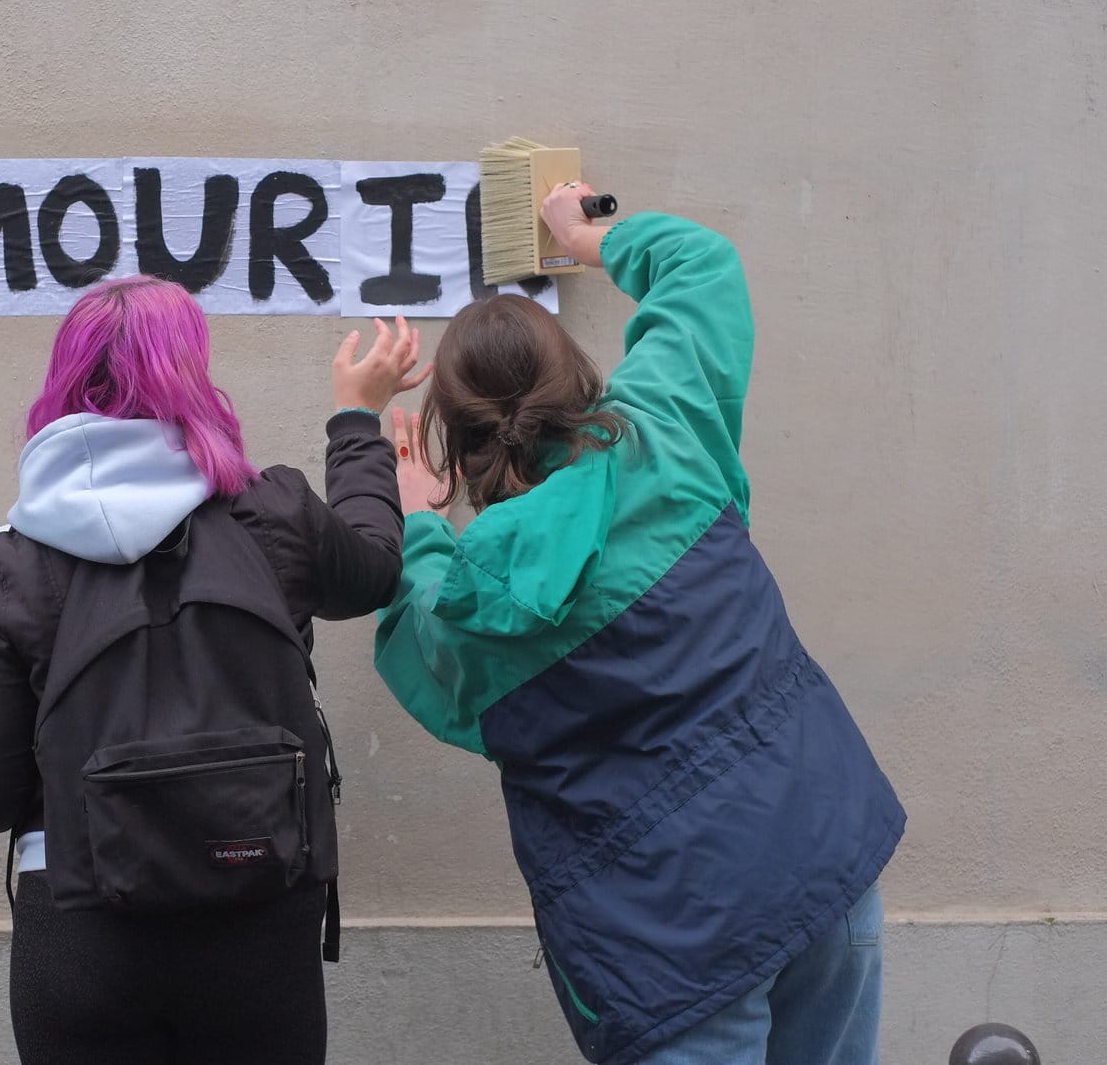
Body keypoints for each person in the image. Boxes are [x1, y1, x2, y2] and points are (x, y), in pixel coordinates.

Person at [378, 185, 905, 1065]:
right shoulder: (665, 431)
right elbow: (704, 267)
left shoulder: (471, 598)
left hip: (668, 948)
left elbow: (422, 652)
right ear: (574, 376)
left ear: (460, 442)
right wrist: (586, 236)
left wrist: (421, 524)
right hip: (820, 861)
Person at [0, 275, 427, 1065]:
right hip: (257, 910)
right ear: (194, 378)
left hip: (82, 929)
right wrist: (358, 423)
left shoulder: (14, 566)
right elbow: (376, 569)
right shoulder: (272, 514)